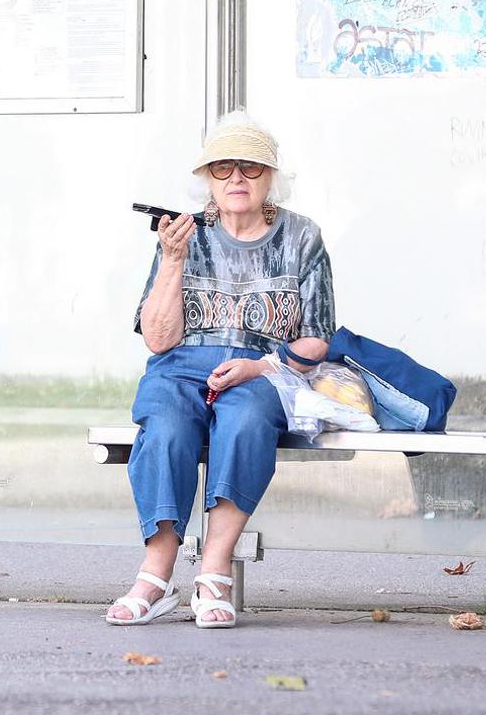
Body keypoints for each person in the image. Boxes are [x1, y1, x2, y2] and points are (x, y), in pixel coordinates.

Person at [105, 112, 335, 629]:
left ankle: (214, 571)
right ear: (206, 178)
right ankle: (156, 576)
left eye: (251, 168)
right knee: (163, 428)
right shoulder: (181, 235)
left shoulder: (302, 236)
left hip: (262, 368)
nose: (236, 179)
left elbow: (318, 336)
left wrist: (259, 365)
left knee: (246, 423)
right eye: (223, 167)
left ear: (272, 176)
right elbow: (160, 339)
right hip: (181, 366)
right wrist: (171, 260)